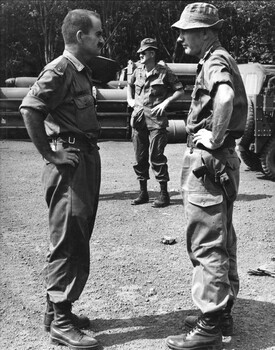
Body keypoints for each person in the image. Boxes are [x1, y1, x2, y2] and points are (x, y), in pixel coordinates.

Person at [19, 9, 104, 350]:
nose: (102, 40)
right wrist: (52, 155)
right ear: (81, 36)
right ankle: (62, 322)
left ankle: (54, 312)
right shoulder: (60, 69)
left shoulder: (80, 72)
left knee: (76, 233)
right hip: (68, 162)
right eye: (98, 34)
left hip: (83, 159)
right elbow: (30, 109)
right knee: (68, 238)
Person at [166, 3, 248, 350]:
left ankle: (210, 324)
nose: (181, 37)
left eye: (186, 31)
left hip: (210, 162)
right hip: (220, 163)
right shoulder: (217, 58)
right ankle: (223, 311)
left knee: (207, 242)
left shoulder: (215, 60)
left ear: (206, 32)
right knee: (221, 237)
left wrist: (213, 136)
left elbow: (225, 97)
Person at [127, 38, 184, 207]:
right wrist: (130, 100)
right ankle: (143, 193)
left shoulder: (164, 72)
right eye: (140, 52)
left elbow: (180, 91)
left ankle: (164, 195)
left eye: (143, 52)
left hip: (156, 121)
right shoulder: (137, 71)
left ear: (151, 53)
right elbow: (129, 86)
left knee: (156, 157)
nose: (140, 55)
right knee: (140, 157)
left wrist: (165, 103)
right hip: (138, 119)